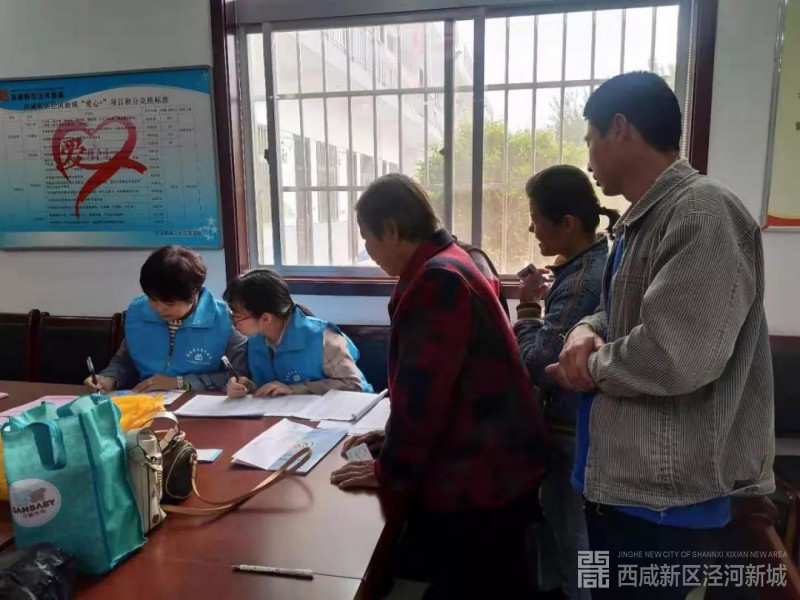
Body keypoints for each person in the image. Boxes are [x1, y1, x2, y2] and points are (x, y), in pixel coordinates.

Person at [545, 71, 774, 598]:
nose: (588, 161)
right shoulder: (641, 221)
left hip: (665, 502)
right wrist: (582, 332)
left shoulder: (702, 213)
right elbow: (613, 313)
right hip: (619, 483)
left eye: (591, 140)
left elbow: (676, 356)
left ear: (620, 127)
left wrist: (585, 368)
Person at [330, 173, 551, 599]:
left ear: (391, 230)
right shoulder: (452, 260)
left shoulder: (438, 279)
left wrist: (388, 470)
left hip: (483, 477)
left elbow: (424, 396)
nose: (368, 252)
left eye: (367, 238)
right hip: (490, 465)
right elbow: (441, 385)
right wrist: (388, 440)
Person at [514, 165, 618, 600]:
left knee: (578, 541)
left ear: (568, 223)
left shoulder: (581, 282)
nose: (532, 228)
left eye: (536, 218)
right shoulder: (587, 265)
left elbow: (539, 362)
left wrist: (527, 312)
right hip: (576, 432)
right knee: (571, 535)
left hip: (573, 436)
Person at [85, 246, 248, 393]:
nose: (159, 308)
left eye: (169, 303)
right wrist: (109, 378)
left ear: (195, 293)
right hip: (146, 404)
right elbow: (125, 362)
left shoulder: (226, 320)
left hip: (201, 406)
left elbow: (239, 375)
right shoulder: (138, 312)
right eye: (152, 299)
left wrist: (181, 382)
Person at [222, 268, 372, 397]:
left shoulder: (324, 338)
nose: (233, 322)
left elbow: (353, 385)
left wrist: (295, 389)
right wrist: (247, 387)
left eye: (238, 316)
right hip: (282, 416)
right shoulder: (256, 339)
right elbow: (270, 387)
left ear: (265, 318)